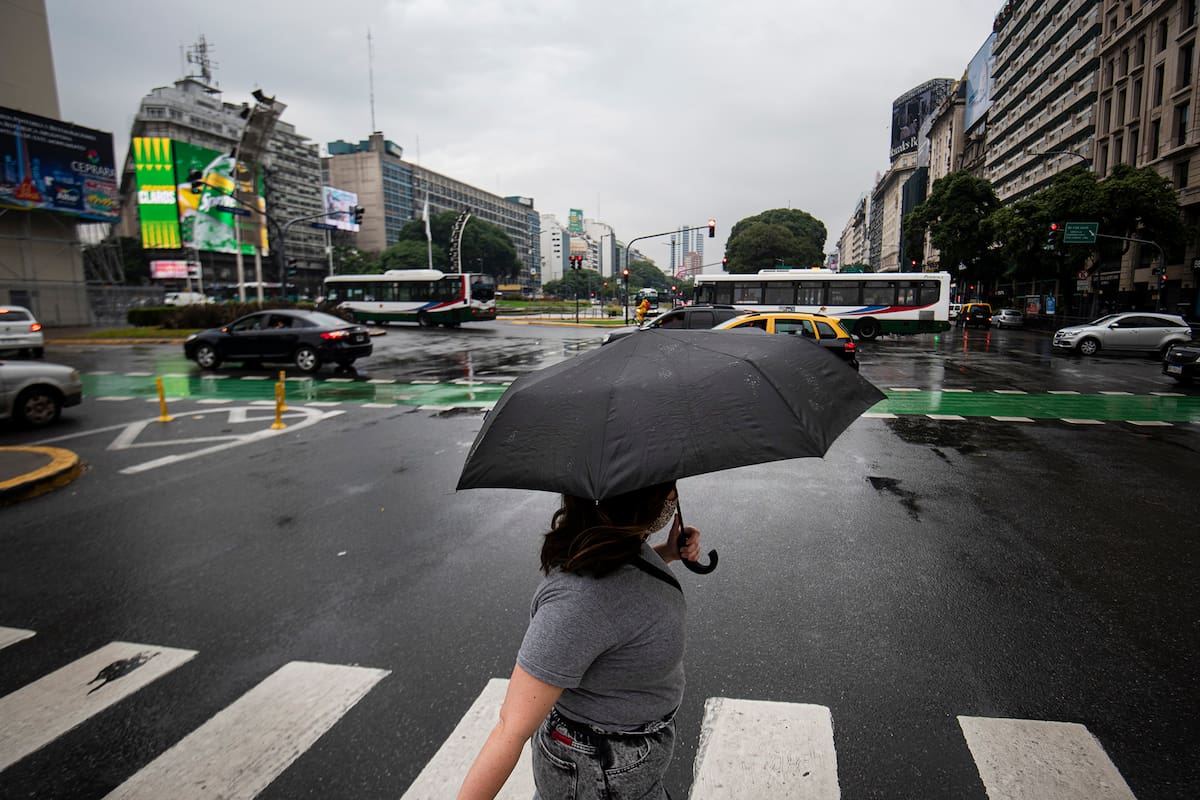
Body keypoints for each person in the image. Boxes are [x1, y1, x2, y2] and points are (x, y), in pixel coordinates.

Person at [457, 481, 701, 800]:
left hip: (617, 762)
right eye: (670, 487)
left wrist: (666, 554)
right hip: (597, 767)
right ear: (639, 499)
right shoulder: (577, 603)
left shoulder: (614, 546)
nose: (675, 495)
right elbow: (510, 729)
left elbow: (619, 594)